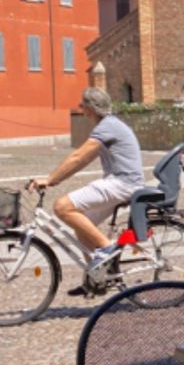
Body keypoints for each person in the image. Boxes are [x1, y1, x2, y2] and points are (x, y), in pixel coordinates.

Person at [30, 87, 145, 284]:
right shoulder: (109, 125)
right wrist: (56, 179)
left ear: (90, 108)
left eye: (83, 106)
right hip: (123, 183)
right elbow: (82, 160)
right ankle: (96, 280)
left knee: (62, 207)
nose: (82, 110)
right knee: (83, 228)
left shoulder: (106, 127)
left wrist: (49, 180)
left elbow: (77, 156)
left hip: (122, 183)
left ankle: (106, 247)